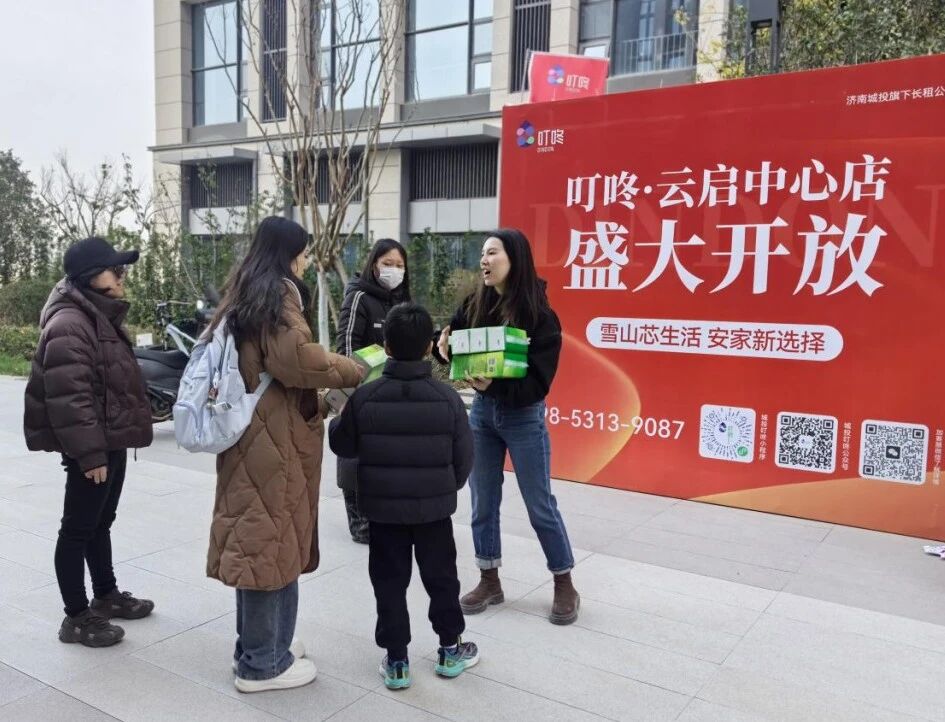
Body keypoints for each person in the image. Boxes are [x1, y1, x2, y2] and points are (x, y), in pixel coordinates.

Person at [205, 216, 363, 693]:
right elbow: (297, 361)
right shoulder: (276, 295)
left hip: (262, 435)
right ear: (289, 253)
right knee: (268, 547)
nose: (307, 260)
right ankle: (262, 664)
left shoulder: (248, 290)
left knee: (267, 545)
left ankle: (263, 646)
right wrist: (353, 369)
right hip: (270, 443)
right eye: (304, 252)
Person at [329, 302, 479, 690]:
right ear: (429, 346)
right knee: (442, 580)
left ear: (386, 347)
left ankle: (397, 661)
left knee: (389, 583)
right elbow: (464, 458)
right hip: (434, 513)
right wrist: (444, 487)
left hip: (383, 514)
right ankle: (450, 649)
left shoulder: (365, 398)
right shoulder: (448, 400)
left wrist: (339, 415)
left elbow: (342, 445)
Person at [435, 228, 580, 625]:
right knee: (482, 501)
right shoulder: (474, 304)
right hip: (482, 416)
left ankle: (564, 581)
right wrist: (441, 347)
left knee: (539, 504)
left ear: (515, 259)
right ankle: (489, 579)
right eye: (482, 254)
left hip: (523, 417)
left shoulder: (540, 317)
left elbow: (538, 383)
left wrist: (495, 385)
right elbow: (455, 346)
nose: (484, 260)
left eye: (492, 253)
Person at [24, 237, 155, 647]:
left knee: (100, 523)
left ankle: (106, 595)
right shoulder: (70, 323)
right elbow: (70, 397)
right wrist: (90, 453)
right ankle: (77, 617)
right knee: (77, 529)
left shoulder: (94, 314)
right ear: (91, 276)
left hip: (109, 437)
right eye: (115, 269)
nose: (121, 276)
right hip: (92, 445)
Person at [334, 238, 411, 544]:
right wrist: (351, 391)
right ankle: (359, 519)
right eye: (387, 263)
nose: (394, 270)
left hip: (393, 393)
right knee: (355, 454)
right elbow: (346, 345)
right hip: (362, 390)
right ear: (374, 264)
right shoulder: (359, 297)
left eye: (400, 265)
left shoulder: (402, 302)